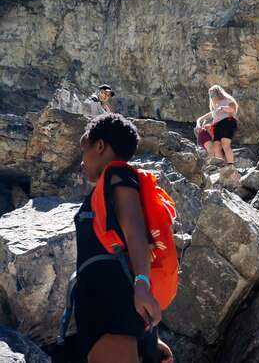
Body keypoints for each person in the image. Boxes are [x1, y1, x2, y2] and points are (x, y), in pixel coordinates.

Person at [73, 113, 173, 363]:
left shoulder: (118, 177)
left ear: (99, 146)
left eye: (83, 149)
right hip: (109, 306)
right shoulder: (112, 183)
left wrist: (141, 283)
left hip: (110, 307)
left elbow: (135, 232)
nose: (81, 161)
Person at [195, 85, 238, 164]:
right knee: (216, 146)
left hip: (227, 122)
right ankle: (220, 165)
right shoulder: (215, 106)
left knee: (225, 144)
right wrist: (198, 124)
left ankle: (230, 165)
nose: (211, 96)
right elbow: (203, 117)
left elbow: (232, 109)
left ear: (219, 92)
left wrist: (222, 108)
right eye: (210, 94)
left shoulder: (228, 100)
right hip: (217, 126)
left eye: (213, 93)